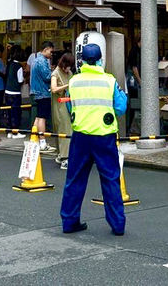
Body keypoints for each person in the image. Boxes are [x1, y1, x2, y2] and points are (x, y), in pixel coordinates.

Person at [60, 43, 127, 235]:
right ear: (100, 59)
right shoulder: (109, 81)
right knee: (110, 179)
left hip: (80, 136)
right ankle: (117, 225)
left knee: (74, 179)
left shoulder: (74, 81)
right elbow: (121, 108)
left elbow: (69, 107)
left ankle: (69, 222)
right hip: (104, 136)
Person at [30, 41, 55, 151]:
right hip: (43, 92)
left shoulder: (36, 60)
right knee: (42, 118)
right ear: (46, 49)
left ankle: (34, 140)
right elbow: (47, 76)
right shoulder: (42, 61)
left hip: (37, 91)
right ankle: (42, 142)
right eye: (51, 51)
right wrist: (54, 73)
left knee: (38, 116)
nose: (51, 54)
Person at [51, 52, 74, 169]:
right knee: (64, 129)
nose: (69, 68)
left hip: (69, 104)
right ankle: (64, 157)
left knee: (67, 129)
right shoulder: (55, 73)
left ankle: (61, 155)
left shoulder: (69, 73)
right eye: (68, 65)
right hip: (60, 105)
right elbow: (53, 89)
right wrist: (67, 86)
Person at [4, 45, 24, 139]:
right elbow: (20, 80)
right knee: (16, 113)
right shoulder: (18, 66)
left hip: (7, 92)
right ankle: (15, 132)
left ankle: (9, 131)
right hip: (15, 93)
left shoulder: (9, 64)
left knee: (9, 112)